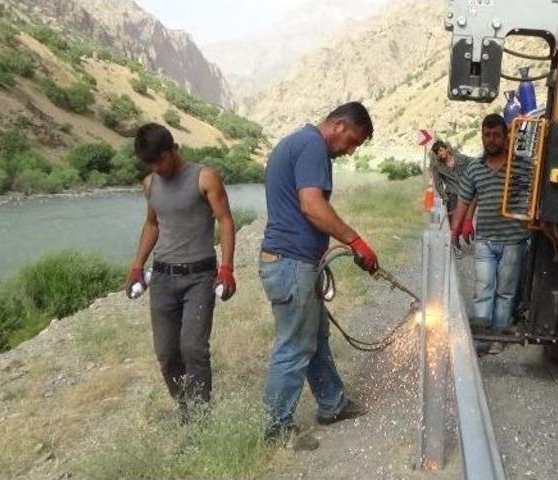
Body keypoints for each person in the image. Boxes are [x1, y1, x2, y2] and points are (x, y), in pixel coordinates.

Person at [260, 101, 379, 448]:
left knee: (315, 337)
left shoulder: (298, 142)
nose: (351, 151)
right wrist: (355, 240)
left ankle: (332, 404)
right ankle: (276, 430)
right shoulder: (313, 146)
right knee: (294, 347)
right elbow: (312, 205)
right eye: (352, 141)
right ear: (339, 125)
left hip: (295, 263)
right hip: (291, 264)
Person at [127, 123, 237, 421]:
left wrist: (227, 268)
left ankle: (200, 418)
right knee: (166, 353)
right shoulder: (150, 184)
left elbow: (225, 221)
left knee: (193, 348)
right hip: (162, 278)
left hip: (199, 277)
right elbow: (152, 224)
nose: (156, 168)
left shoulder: (205, 177)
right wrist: (137, 265)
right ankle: (185, 408)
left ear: (173, 149)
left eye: (159, 160)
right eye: (149, 163)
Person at [451, 114, 530, 355]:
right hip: (485, 241)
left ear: (506, 137)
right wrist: (455, 230)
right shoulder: (475, 168)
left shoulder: (522, 166)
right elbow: (463, 200)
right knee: (483, 290)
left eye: (496, 135)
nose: (491, 139)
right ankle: (481, 340)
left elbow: (534, 196)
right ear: (482, 136)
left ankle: (498, 338)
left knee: (505, 293)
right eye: (487, 135)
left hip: (513, 240)